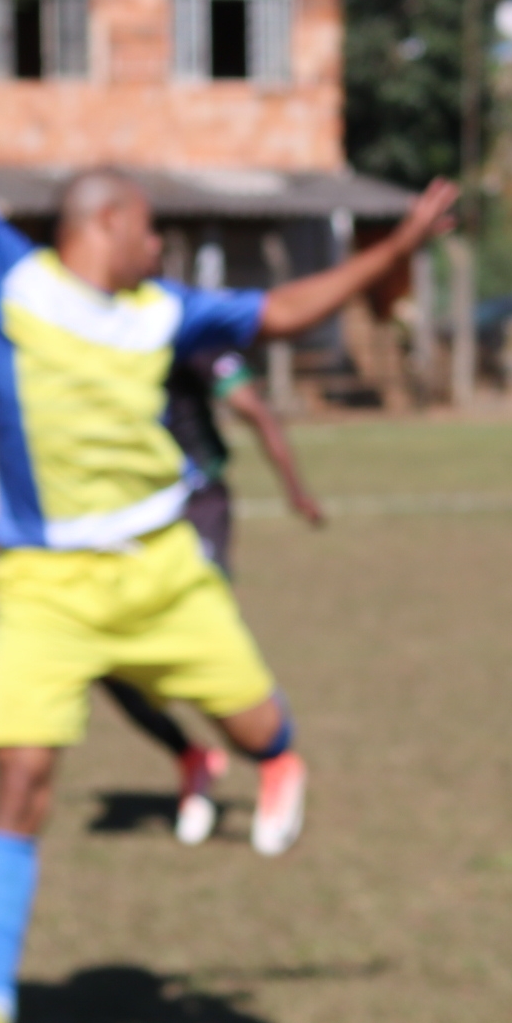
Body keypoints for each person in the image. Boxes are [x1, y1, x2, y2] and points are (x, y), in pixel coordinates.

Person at [0, 0, 459, 1023]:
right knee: (20, 779)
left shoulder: (169, 314)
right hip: (45, 586)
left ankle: (279, 755)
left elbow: (291, 311)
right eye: (151, 225)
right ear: (107, 220)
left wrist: (400, 242)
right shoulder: (7, 279)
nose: (160, 243)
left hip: (167, 571)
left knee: (260, 731)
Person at [97, 337, 330, 845]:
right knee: (101, 657)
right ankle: (190, 756)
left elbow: (253, 408)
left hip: (196, 507)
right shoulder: (85, 332)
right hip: (124, 518)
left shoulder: (184, 330)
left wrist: (296, 490)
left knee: (201, 641)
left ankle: (275, 760)